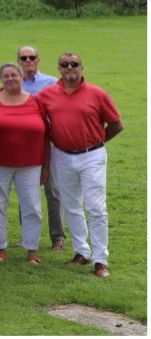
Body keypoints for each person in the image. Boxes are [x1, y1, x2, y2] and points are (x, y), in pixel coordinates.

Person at [37, 52, 121, 278]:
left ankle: (100, 259)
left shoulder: (96, 93)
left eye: (74, 64)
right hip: (62, 156)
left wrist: (96, 141)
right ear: (59, 69)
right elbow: (33, 115)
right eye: (65, 64)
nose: (69, 67)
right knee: (72, 206)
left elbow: (116, 124)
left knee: (95, 207)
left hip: (91, 155)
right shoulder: (47, 95)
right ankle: (81, 252)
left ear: (82, 68)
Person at [0, 62, 47, 265]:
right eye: (6, 76)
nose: (10, 79)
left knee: (32, 207)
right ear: (1, 79)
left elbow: (46, 136)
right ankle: (0, 249)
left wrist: (46, 166)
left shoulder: (36, 101)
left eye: (14, 75)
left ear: (21, 77)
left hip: (30, 164)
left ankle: (32, 250)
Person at [17, 45, 65, 251]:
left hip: (48, 142)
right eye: (24, 58)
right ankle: (28, 237)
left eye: (32, 57)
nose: (28, 61)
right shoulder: (14, 83)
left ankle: (58, 238)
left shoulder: (51, 83)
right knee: (25, 192)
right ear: (19, 61)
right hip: (22, 144)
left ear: (38, 60)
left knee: (52, 191)